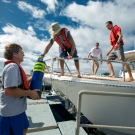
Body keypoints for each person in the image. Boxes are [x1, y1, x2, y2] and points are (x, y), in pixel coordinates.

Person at [0, 43, 39, 135]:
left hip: (18, 110)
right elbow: (8, 91)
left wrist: (34, 76)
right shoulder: (12, 67)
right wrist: (30, 93)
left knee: (24, 129)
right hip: (11, 112)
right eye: (22, 52)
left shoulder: (14, 67)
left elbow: (19, 84)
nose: (24, 54)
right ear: (15, 54)